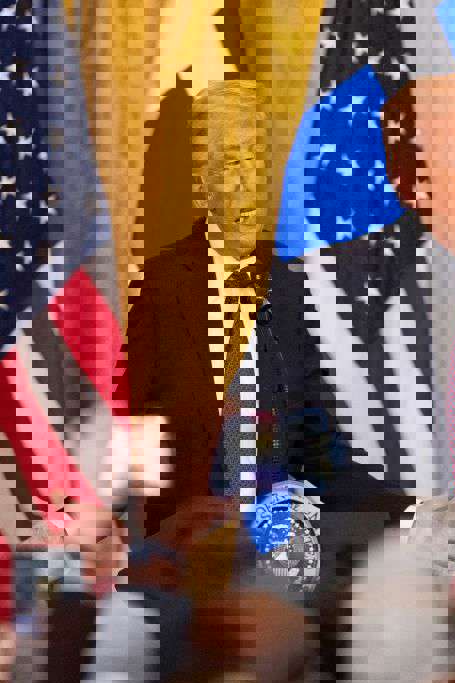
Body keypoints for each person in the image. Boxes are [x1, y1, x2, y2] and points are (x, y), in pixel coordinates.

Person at [126, 79, 272, 537]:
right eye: (230, 163)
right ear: (202, 182)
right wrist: (156, 533)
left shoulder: (299, 281)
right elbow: (131, 424)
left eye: (255, 159)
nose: (247, 180)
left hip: (285, 542)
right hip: (186, 539)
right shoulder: (161, 285)